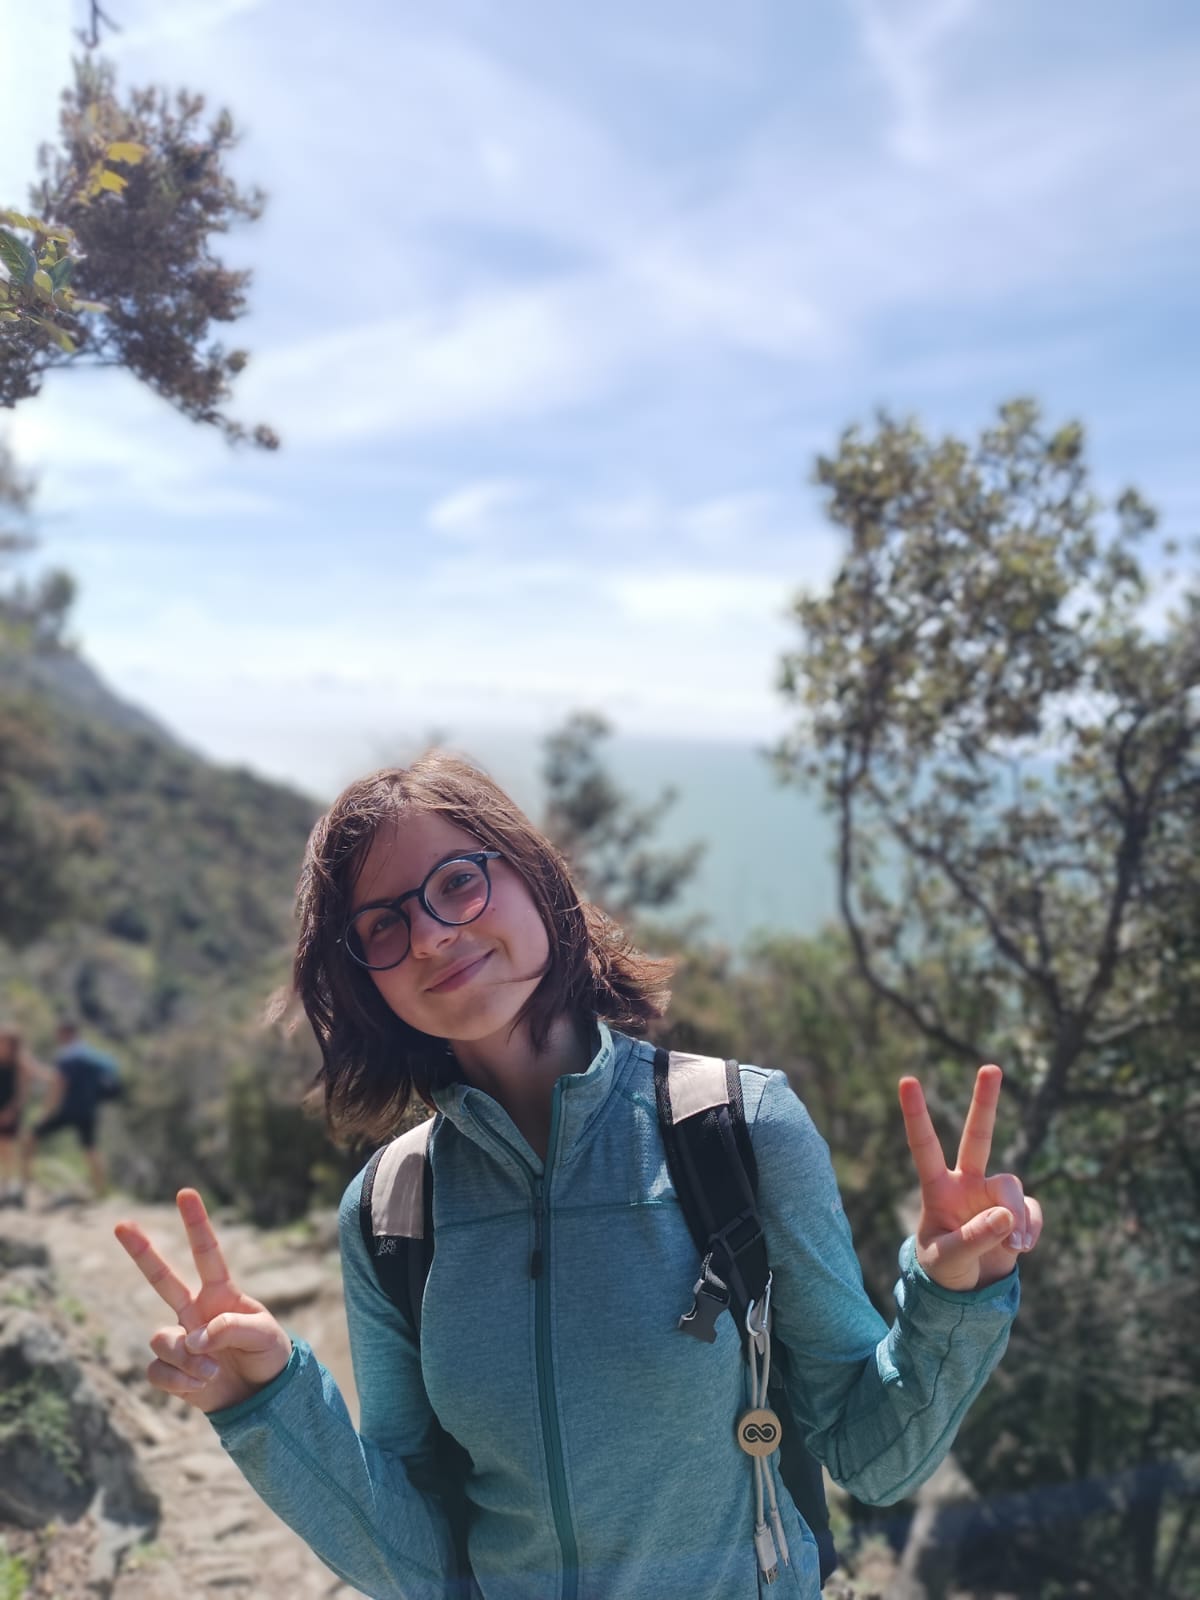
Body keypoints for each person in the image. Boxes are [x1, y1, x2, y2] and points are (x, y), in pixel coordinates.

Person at [115, 752, 1043, 1600]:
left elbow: (874, 1459)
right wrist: (266, 1398)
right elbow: (418, 1564)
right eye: (384, 925)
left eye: (458, 882)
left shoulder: (735, 1129)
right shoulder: (393, 1208)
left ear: (535, 876)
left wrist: (955, 1295)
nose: (430, 935)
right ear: (367, 982)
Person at [23, 1018, 116, 1200]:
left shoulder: (66, 1057)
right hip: (88, 1111)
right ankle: (100, 1191)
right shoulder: (89, 1056)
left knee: (31, 1135)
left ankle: (27, 1182)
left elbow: (59, 1084)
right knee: (91, 1148)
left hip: (67, 1110)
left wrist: (46, 1112)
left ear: (66, 1034)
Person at [0, 1027, 53, 1205]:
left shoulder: (20, 1062)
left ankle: (15, 1185)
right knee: (3, 1148)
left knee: (10, 1146)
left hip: (11, 1111)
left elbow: (22, 1093)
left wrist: (11, 1111)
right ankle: (8, 1183)